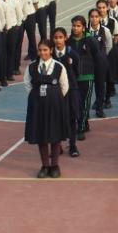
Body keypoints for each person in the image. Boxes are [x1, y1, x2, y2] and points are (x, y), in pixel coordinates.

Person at [24, 39, 70, 178]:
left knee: (55, 135)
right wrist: (36, 97)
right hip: (37, 106)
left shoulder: (59, 66)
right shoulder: (32, 67)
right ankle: (45, 165)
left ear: (51, 50)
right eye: (40, 50)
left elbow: (64, 86)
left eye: (45, 50)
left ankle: (55, 165)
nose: (42, 53)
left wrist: (54, 97)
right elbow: (27, 84)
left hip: (55, 105)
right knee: (41, 135)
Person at [69, 15, 102, 136]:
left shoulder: (90, 40)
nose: (75, 28)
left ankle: (81, 129)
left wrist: (95, 73)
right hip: (74, 78)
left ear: (83, 27)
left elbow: (97, 55)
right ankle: (85, 124)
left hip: (87, 76)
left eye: (78, 26)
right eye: (74, 26)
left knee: (85, 104)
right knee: (76, 103)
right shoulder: (69, 42)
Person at [52, 28, 82, 157]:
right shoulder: (50, 54)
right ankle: (57, 145)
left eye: (60, 37)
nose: (58, 40)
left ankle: (73, 145)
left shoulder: (72, 54)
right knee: (55, 118)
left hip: (71, 90)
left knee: (72, 117)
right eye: (55, 37)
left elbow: (77, 72)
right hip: (55, 91)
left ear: (65, 38)